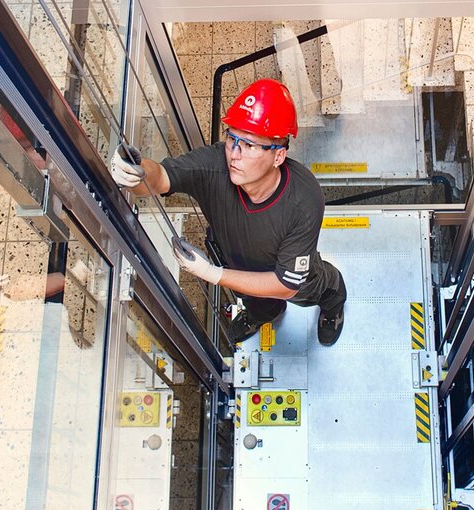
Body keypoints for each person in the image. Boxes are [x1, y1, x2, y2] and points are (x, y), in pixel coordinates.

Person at [110, 78, 346, 346]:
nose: (235, 153)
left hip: (288, 274)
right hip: (239, 267)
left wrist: (213, 274)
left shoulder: (303, 199)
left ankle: (334, 303)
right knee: (256, 302)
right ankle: (263, 314)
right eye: (232, 138)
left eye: (250, 145)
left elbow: (286, 284)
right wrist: (136, 171)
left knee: (316, 289)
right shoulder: (214, 165)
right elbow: (162, 176)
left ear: (278, 156)